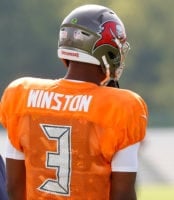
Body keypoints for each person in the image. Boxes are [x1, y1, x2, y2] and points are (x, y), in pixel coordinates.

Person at [0, 4, 148, 200]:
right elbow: (122, 194)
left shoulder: (21, 94)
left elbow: (14, 186)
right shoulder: (121, 106)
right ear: (107, 49)